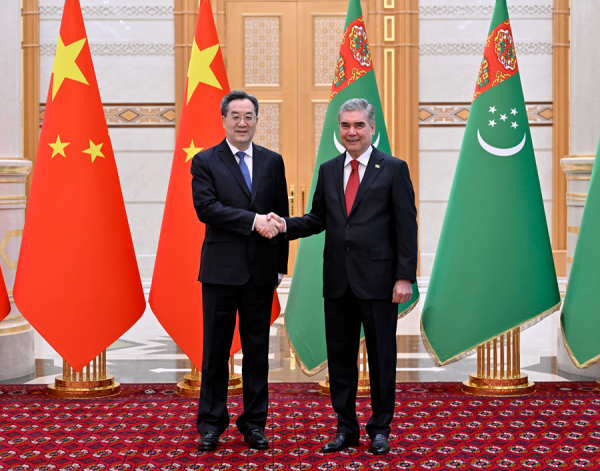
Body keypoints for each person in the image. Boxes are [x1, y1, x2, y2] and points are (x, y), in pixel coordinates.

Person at [263, 98, 417, 455]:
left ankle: (380, 428)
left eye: (359, 125)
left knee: (381, 358)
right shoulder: (330, 169)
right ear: (339, 128)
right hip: (338, 280)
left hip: (380, 281)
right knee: (340, 359)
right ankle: (345, 427)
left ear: (372, 128)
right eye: (346, 125)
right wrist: (284, 225)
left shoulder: (394, 169)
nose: (352, 132)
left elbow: (405, 226)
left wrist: (404, 277)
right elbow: (317, 218)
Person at [191, 90, 288, 452]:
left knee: (258, 353)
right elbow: (207, 208)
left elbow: (280, 214)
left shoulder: (272, 161)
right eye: (235, 116)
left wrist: (280, 266)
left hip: (260, 273)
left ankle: (254, 423)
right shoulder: (205, 161)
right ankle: (211, 424)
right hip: (220, 272)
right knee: (215, 353)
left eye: (249, 116)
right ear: (223, 120)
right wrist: (252, 221)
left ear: (257, 120)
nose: (242, 123)